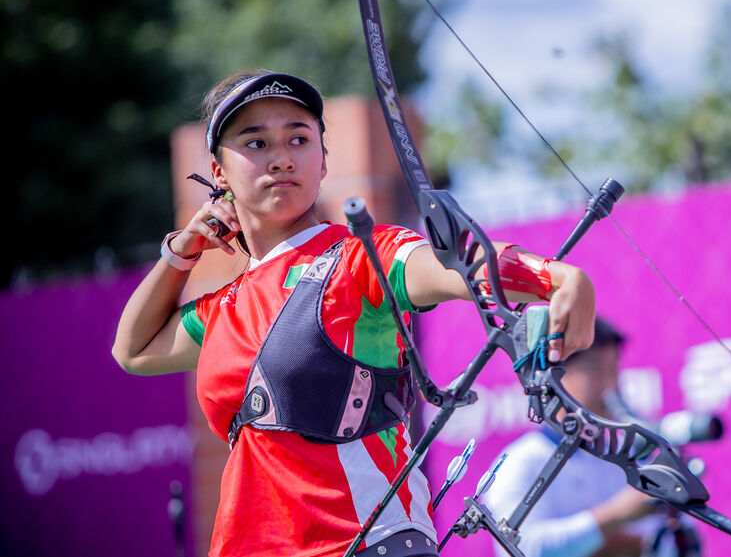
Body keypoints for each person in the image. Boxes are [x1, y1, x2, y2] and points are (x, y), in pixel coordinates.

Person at [112, 70, 596, 557]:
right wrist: (183, 250)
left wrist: (557, 278)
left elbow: (454, 265)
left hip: (366, 543)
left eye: (298, 139)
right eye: (255, 143)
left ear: (322, 162)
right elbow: (133, 350)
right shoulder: (226, 306)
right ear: (219, 171)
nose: (281, 159)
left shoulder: (361, 257)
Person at [482, 318, 663, 557]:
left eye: (614, 370)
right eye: (596, 369)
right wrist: (616, 516)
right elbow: (521, 546)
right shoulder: (518, 461)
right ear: (556, 377)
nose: (610, 386)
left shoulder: (626, 453)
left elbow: (676, 542)